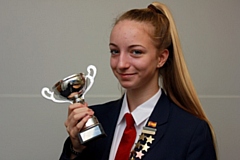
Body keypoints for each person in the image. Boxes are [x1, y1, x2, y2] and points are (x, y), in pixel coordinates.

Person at [60, 2, 217, 160]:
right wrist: (76, 149)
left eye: (136, 52)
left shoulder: (190, 131)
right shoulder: (94, 120)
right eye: (115, 51)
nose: (121, 64)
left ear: (161, 58)